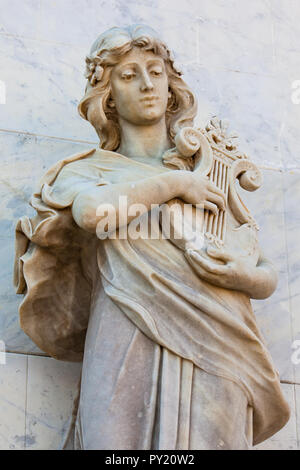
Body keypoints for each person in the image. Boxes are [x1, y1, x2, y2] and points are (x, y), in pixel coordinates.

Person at [14, 25, 289, 450]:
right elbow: (94, 214)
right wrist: (173, 185)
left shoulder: (211, 172)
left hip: (219, 341)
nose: (147, 85)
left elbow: (260, 265)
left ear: (171, 85)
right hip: (127, 331)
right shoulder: (91, 171)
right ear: (107, 96)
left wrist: (246, 278)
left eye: (156, 72)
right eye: (129, 75)